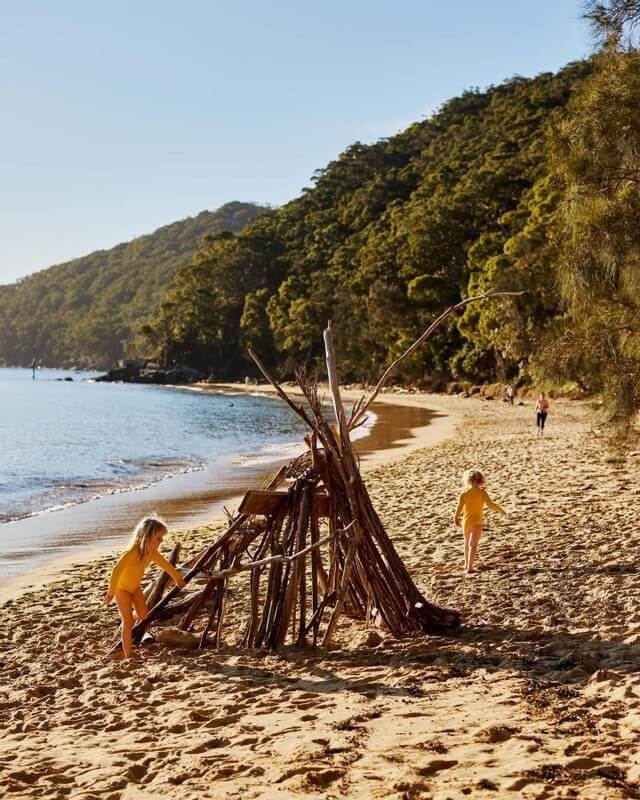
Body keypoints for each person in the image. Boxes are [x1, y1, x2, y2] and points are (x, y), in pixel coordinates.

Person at [104, 515, 186, 658]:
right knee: (128, 622)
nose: (161, 541)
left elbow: (166, 565)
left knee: (143, 615)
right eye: (158, 538)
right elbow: (116, 570)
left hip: (134, 587)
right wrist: (111, 593)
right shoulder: (132, 552)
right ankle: (128, 654)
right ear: (147, 536)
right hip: (121, 589)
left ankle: (127, 617)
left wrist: (177, 578)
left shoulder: (151, 553)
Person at [454, 469, 506, 574]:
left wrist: (456, 518)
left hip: (466, 522)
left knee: (466, 543)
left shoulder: (464, 494)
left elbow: (459, 509)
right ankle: (470, 568)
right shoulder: (482, 493)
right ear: (481, 481)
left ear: (468, 480)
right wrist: (500, 510)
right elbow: (491, 505)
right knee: (473, 545)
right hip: (476, 523)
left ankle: (466, 564)